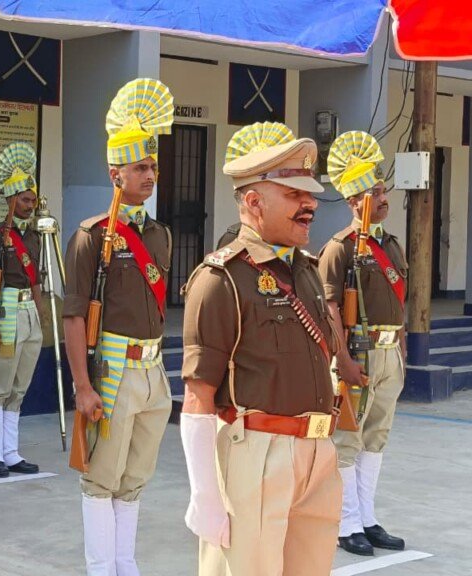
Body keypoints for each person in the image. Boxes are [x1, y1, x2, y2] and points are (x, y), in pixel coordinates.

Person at [181, 121, 342, 575]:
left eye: (310, 194)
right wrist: (205, 496)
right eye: (294, 194)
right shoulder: (221, 279)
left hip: (317, 452)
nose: (310, 204)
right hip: (256, 454)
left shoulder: (307, 271)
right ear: (254, 202)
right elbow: (198, 396)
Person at [63, 78, 174, 575]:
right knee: (101, 477)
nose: (150, 175)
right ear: (115, 174)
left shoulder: (160, 234)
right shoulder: (92, 236)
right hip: (112, 369)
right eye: (139, 168)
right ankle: (99, 567)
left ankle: (125, 564)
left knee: (134, 478)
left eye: (152, 166)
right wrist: (82, 385)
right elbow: (73, 314)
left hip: (153, 371)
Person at [319, 130, 408, 556]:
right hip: (358, 353)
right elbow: (330, 308)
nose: (383, 197)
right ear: (354, 201)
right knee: (348, 439)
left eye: (383, 189)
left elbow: (399, 300)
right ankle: (346, 521)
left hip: (389, 354)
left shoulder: (390, 244)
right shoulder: (340, 248)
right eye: (373, 192)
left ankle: (368, 518)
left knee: (376, 437)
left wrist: (401, 345)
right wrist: (342, 358)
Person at [0, 141, 43, 478]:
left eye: (32, 200)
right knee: (0, 386)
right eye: (25, 200)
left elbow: (37, 282)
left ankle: (11, 452)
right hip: (5, 312)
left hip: (30, 313)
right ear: (11, 199)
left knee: (19, 386)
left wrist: (41, 318)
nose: (30, 205)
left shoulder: (33, 236)